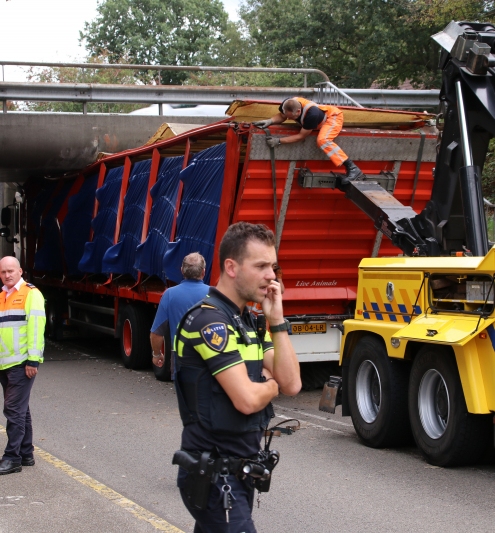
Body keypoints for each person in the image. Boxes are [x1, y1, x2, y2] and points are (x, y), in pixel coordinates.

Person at [174, 222, 301, 533]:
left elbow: (293, 383)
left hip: (239, 473)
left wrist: (277, 320)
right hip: (215, 475)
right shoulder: (209, 322)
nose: (271, 275)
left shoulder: (249, 321)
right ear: (231, 267)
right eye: (260, 266)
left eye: (272, 266)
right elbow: (246, 400)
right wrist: (271, 385)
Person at [0, 256, 45, 476]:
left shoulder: (31, 294)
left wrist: (33, 360)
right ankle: (26, 453)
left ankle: (12, 458)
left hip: (22, 363)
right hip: (4, 364)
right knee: (21, 410)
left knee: (13, 410)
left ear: (20, 271)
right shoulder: (1, 296)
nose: (7, 275)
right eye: (3, 272)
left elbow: (36, 329)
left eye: (11, 271)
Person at [253, 97, 365, 183]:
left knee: (323, 140)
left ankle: (353, 168)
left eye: (292, 117)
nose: (290, 120)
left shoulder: (312, 115)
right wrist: (270, 121)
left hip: (332, 117)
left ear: (298, 111)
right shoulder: (287, 104)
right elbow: (282, 117)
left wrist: (278, 141)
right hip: (318, 116)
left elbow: (301, 136)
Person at [151, 252, 211, 376]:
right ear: (203, 272)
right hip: (209, 360)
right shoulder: (213, 294)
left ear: (182, 271)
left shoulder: (170, 294)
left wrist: (156, 354)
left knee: (183, 393)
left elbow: (156, 332)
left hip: (181, 359)